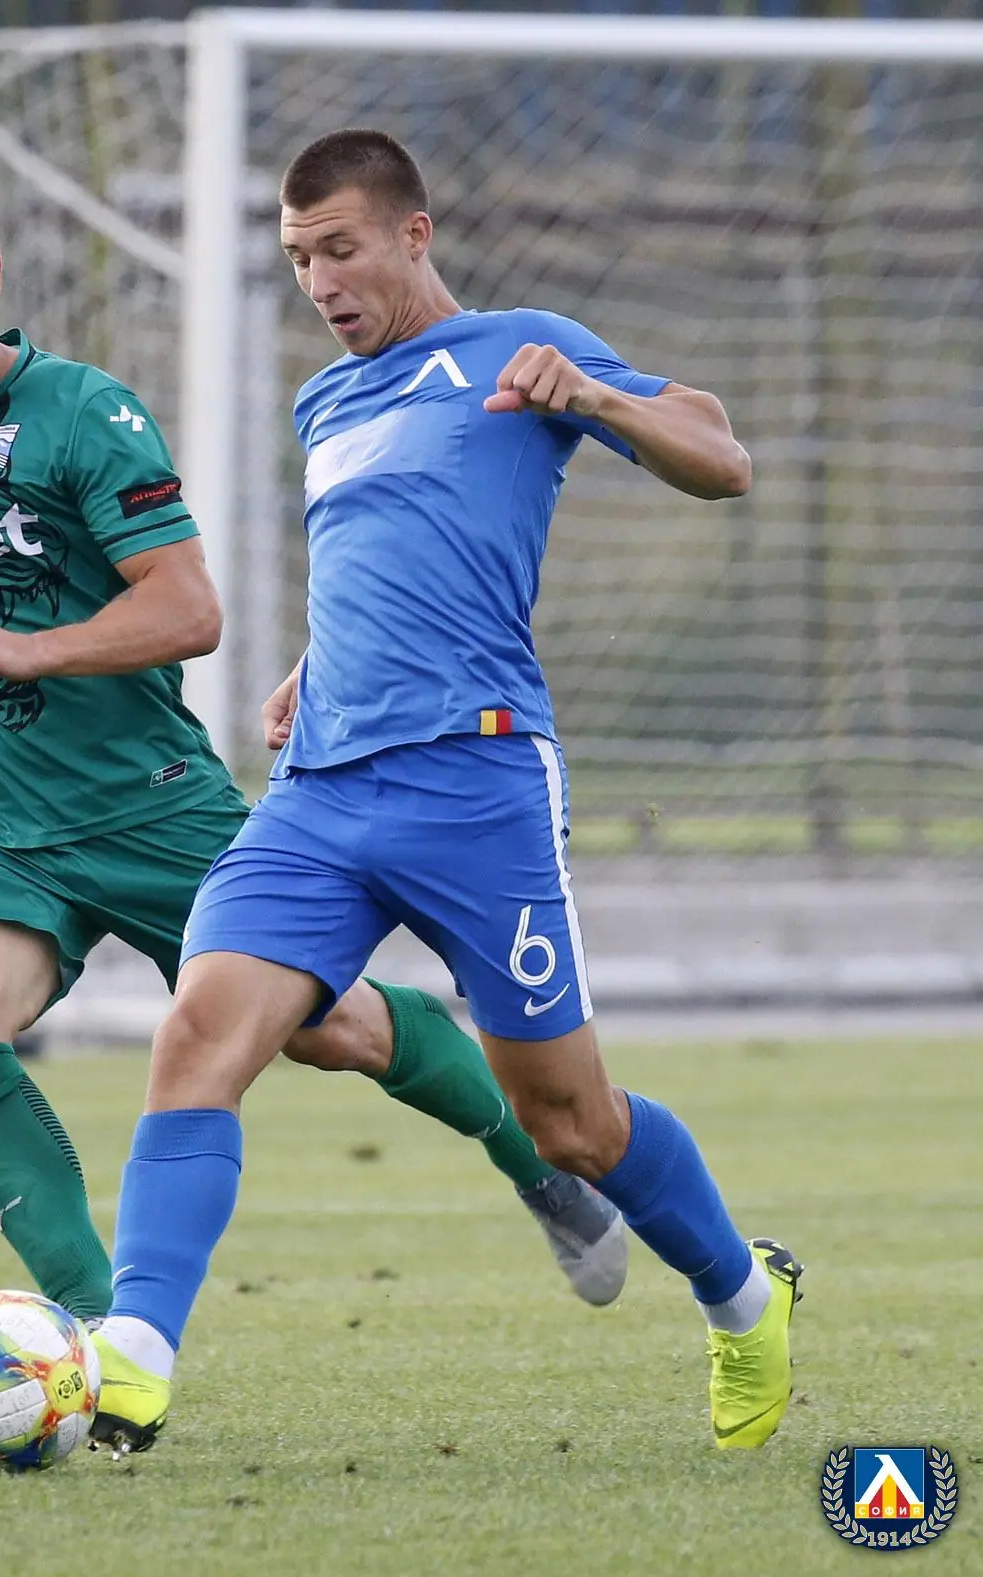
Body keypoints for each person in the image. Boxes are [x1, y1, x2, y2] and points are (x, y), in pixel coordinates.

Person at [0, 183, 630, 1344]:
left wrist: (27, 647)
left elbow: (189, 610)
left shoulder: (85, 414)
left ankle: (534, 1160)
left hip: (150, 808)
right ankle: (97, 1339)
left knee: (338, 1030)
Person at [89, 130, 804, 1457]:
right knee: (199, 1033)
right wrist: (313, 666)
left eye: (341, 249)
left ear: (413, 235)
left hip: (476, 782)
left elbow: (724, 456)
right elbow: (391, 557)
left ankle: (742, 1296)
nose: (320, 282)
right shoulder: (324, 403)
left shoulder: (522, 350)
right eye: (298, 258)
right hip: (318, 789)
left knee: (569, 1123)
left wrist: (599, 400)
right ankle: (132, 1354)